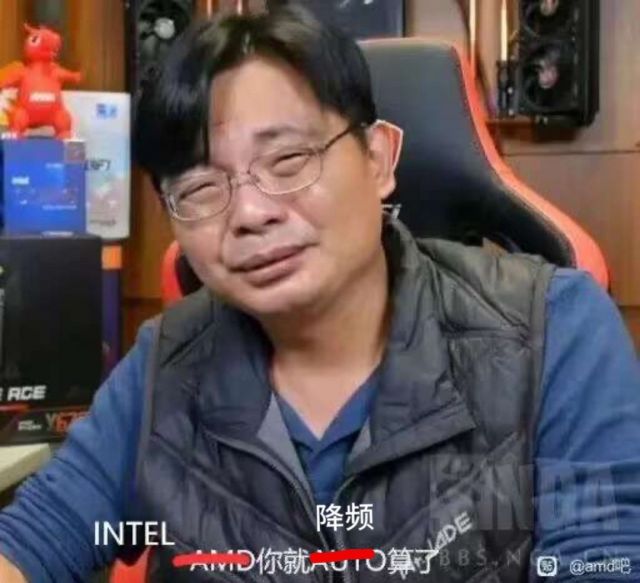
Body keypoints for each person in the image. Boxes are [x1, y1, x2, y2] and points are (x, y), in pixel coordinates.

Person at [1, 5, 640, 582]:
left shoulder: (555, 330)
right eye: (199, 188)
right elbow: (35, 537)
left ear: (378, 158)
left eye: (287, 161)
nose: (250, 213)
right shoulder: (163, 365)